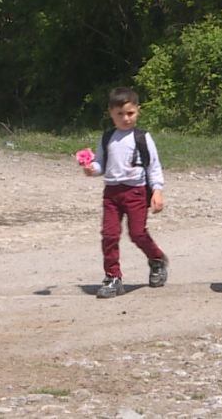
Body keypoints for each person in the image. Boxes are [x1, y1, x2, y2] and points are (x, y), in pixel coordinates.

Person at [82, 86, 168, 299]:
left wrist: (157, 191)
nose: (125, 118)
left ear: (138, 110)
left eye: (130, 113)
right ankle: (112, 276)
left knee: (138, 233)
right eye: (120, 114)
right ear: (111, 113)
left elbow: (153, 166)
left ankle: (156, 259)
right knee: (109, 235)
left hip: (136, 192)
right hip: (111, 193)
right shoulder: (107, 137)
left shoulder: (142, 137)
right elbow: (101, 164)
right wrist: (92, 169)